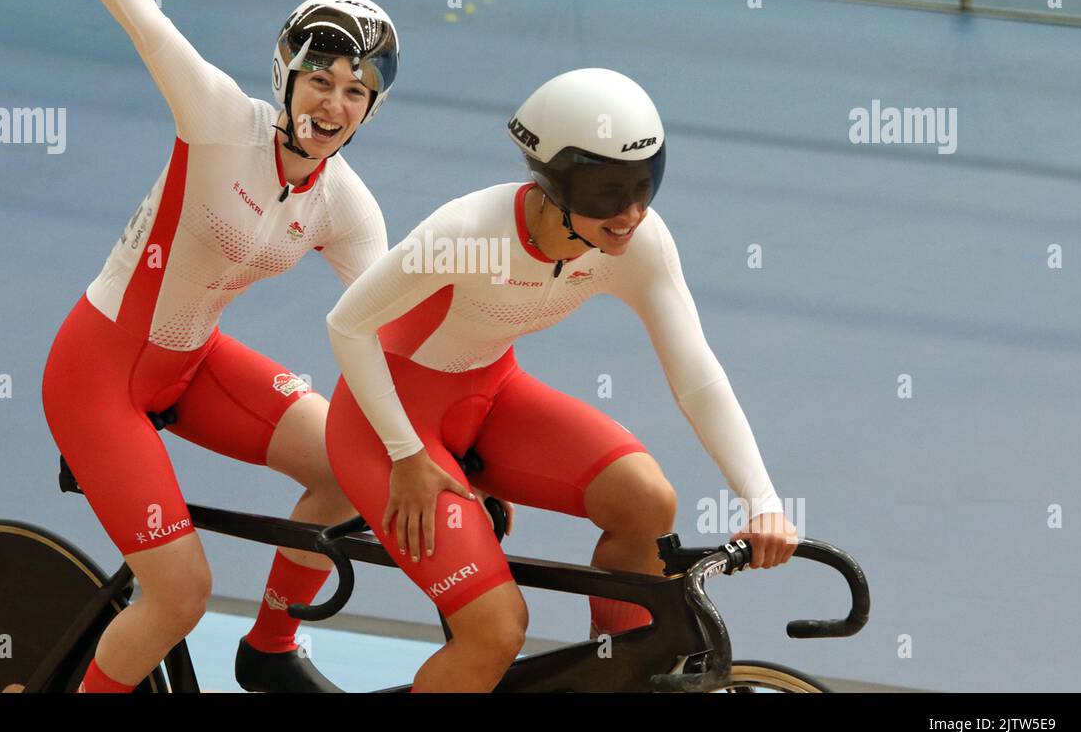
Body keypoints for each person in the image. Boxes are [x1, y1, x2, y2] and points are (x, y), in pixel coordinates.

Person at [0, 0, 399, 693]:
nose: (332, 103)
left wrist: (448, 448)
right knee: (179, 595)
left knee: (353, 468)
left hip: (194, 363)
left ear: (370, 108)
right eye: (319, 78)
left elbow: (398, 328)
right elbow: (143, 17)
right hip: (97, 374)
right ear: (285, 75)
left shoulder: (345, 203)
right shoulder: (219, 119)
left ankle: (273, 649)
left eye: (354, 91)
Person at [324, 68, 799, 692]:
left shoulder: (640, 242)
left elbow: (697, 375)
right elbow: (347, 325)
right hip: (384, 425)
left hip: (488, 394)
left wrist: (762, 501)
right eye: (606, 192)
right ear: (552, 183)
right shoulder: (469, 232)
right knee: (494, 630)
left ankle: (616, 673)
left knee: (646, 502)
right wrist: (406, 454)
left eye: (643, 186)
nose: (629, 214)